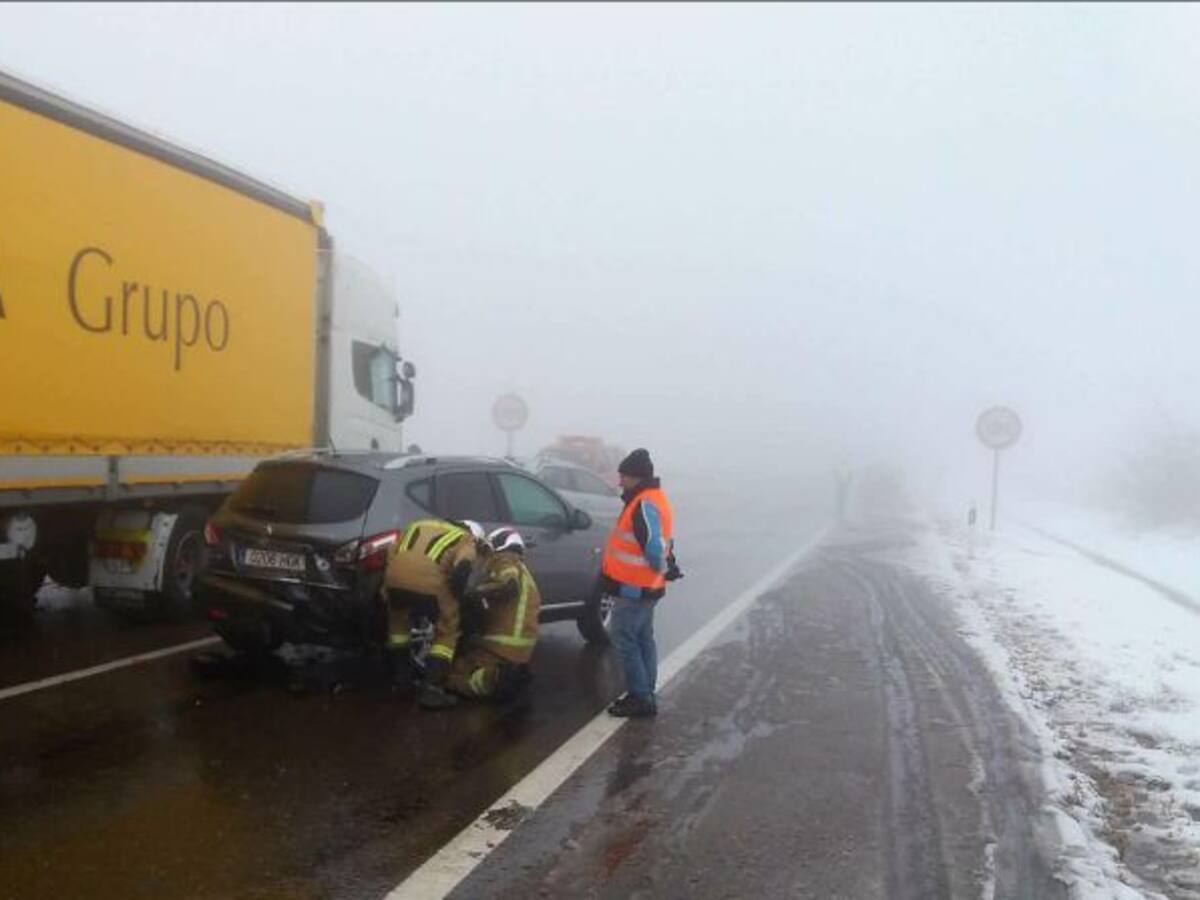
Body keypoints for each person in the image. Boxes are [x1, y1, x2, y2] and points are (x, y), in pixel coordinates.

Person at [602, 448, 680, 718]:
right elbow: (660, 543)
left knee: (624, 639)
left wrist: (662, 567)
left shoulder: (644, 503)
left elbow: (654, 545)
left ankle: (640, 697)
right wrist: (666, 568)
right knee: (643, 638)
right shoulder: (651, 499)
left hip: (635, 588)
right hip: (645, 586)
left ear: (635, 477)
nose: (619, 481)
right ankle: (646, 692)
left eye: (623, 476)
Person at [381, 517, 487, 710]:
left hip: (394, 579)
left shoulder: (417, 524)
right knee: (447, 630)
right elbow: (463, 567)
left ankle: (402, 681)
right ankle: (431, 690)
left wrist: (390, 582)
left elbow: (391, 551)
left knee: (398, 626)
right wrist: (457, 594)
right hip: (430, 584)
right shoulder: (466, 539)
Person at [446, 526, 541, 701]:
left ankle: (495, 679)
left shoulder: (504, 559)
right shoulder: (522, 570)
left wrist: (473, 593)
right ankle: (511, 674)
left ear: (498, 546)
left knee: (453, 672)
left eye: (487, 549)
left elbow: (508, 585)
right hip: (519, 649)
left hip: (501, 645)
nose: (485, 555)